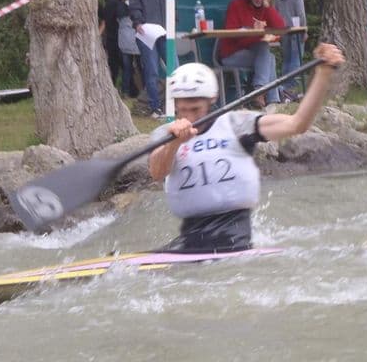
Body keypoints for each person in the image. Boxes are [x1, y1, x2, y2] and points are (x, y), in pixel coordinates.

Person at [148, 43, 345, 253]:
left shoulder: (236, 124)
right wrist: (175, 143)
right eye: (183, 109)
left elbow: (297, 124)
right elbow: (157, 172)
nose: (190, 116)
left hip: (234, 236)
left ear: (211, 100)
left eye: (196, 108)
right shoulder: (165, 135)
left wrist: (323, 74)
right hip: (190, 237)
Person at [219, 0, 286, 108]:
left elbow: (280, 27)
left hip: (254, 51)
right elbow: (230, 33)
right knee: (267, 54)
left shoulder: (265, 8)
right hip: (231, 53)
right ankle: (269, 98)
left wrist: (268, 6)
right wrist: (252, 31)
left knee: (266, 52)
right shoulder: (236, 5)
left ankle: (264, 95)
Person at [129, 0, 167, 118]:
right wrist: (137, 22)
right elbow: (134, 6)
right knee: (152, 70)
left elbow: (172, 4)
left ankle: (178, 103)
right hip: (146, 33)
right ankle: (155, 107)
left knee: (175, 68)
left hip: (165, 32)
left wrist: (174, 20)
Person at [273, 0, 307, 100]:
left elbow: (275, 12)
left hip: (283, 29)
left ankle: (283, 84)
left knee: (287, 58)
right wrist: (304, 30)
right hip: (296, 29)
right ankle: (289, 86)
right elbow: (301, 13)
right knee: (296, 58)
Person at [100, 0, 125, 91]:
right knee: (114, 65)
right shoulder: (113, 2)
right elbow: (107, 20)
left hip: (116, 37)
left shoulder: (117, 1)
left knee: (119, 64)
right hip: (113, 38)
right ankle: (113, 87)